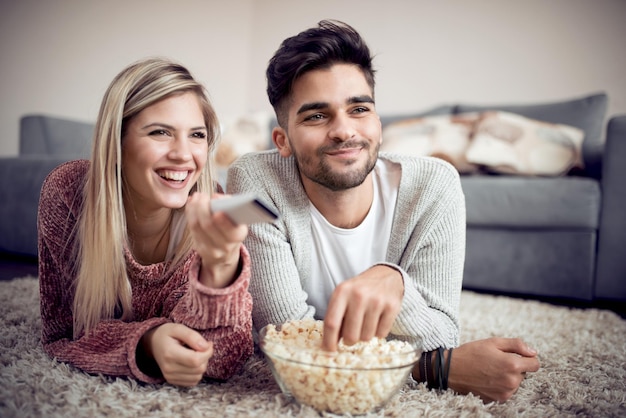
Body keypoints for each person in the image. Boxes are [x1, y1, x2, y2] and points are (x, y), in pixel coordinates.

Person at [226, 20, 540, 403]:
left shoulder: (434, 185)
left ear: (377, 120)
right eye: (316, 116)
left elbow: (441, 335)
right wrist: (434, 368)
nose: (344, 131)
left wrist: (394, 282)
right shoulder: (255, 179)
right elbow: (284, 343)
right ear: (283, 141)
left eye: (359, 108)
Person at [38, 57, 253, 387]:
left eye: (197, 135)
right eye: (160, 132)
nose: (184, 154)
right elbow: (62, 332)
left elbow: (222, 357)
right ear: (118, 141)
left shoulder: (209, 209)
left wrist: (220, 265)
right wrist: (148, 342)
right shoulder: (68, 193)